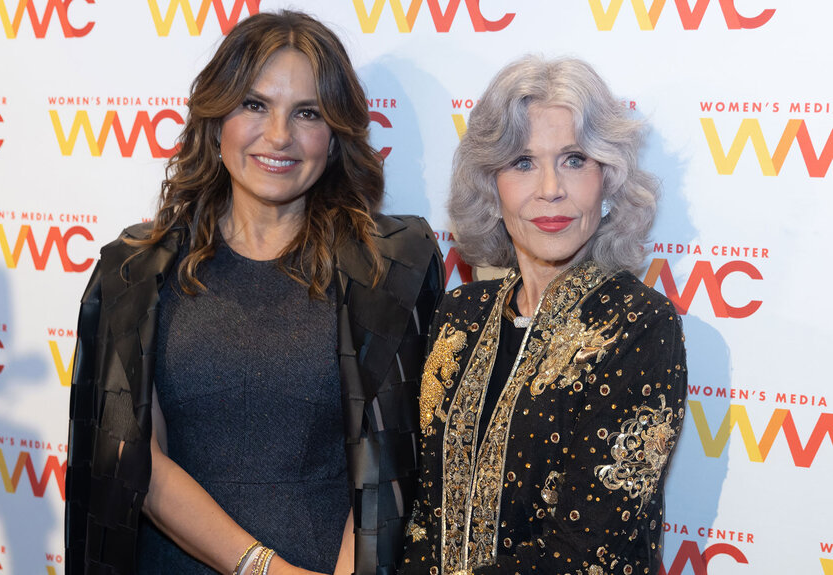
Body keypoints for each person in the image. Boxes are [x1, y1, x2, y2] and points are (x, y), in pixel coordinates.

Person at [64, 11, 444, 575]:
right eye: (254, 104)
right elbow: (130, 455)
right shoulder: (134, 273)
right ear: (217, 121)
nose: (279, 136)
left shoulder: (392, 268)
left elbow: (398, 461)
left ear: (336, 137)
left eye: (307, 113)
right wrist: (262, 567)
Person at [400, 56, 687, 575]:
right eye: (523, 163)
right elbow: (424, 510)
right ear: (492, 186)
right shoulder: (461, 313)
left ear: (608, 181)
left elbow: (586, 548)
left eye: (575, 159)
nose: (551, 188)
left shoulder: (639, 324)